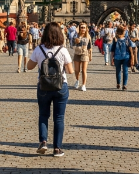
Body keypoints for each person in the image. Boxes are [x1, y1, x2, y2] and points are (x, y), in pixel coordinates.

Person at [28, 23, 74, 157]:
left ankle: (43, 142)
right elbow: (70, 71)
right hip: (61, 86)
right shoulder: (63, 50)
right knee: (59, 117)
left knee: (43, 115)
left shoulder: (39, 49)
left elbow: (29, 66)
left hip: (43, 86)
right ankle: (57, 148)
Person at [71, 22, 92, 91]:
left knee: (84, 70)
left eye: (84, 27)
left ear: (86, 29)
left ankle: (83, 85)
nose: (83, 29)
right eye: (81, 27)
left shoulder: (88, 36)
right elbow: (72, 44)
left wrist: (90, 55)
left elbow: (90, 47)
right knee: (77, 70)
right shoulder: (76, 35)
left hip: (85, 53)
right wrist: (76, 39)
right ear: (79, 28)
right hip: (77, 53)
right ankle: (77, 81)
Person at [112, 26, 132, 90]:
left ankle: (121, 84)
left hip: (122, 57)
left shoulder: (126, 39)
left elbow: (112, 50)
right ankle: (122, 84)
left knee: (119, 71)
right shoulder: (116, 39)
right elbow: (130, 48)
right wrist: (132, 56)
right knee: (124, 71)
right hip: (122, 57)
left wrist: (112, 58)